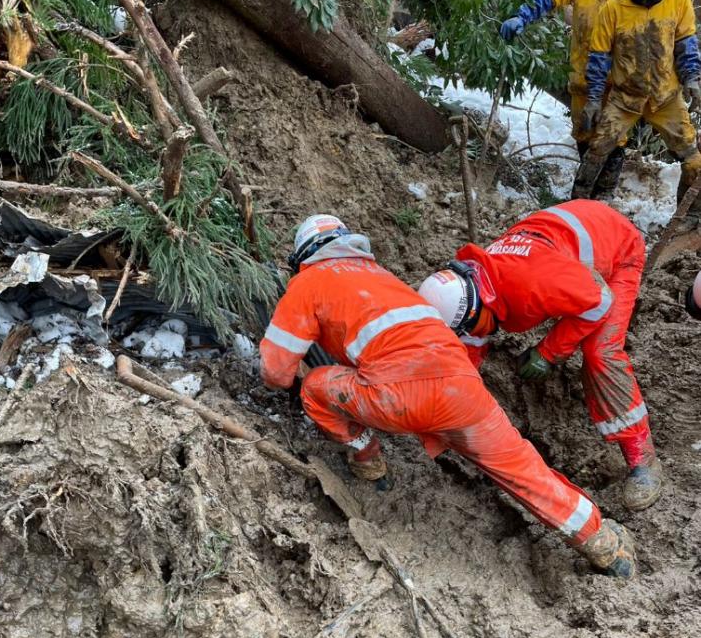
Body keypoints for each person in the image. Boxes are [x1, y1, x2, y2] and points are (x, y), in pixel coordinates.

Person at [260, 213, 636, 578]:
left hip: (398, 396)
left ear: (304, 257)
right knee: (523, 469)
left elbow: (276, 372)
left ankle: (368, 461)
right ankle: (602, 544)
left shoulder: (307, 284)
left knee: (314, 387)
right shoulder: (385, 277)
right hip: (463, 387)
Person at [418, 199, 662, 512]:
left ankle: (643, 458)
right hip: (569, 239)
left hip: (617, 247)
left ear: (481, 304)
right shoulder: (470, 283)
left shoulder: (531, 285)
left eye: (473, 325)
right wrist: (443, 418)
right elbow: (469, 345)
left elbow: (599, 301)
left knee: (600, 351)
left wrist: (548, 352)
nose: (474, 333)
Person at [572, 0, 701, 209]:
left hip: (666, 98)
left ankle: (688, 217)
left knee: (693, 160)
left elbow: (685, 43)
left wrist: (692, 78)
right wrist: (594, 99)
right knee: (597, 149)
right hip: (625, 97)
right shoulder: (613, 9)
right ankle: (578, 205)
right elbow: (599, 59)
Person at [499, 0, 632, 197]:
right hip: (584, 77)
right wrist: (523, 16)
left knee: (615, 139)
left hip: (621, 82)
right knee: (585, 134)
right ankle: (584, 200)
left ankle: (602, 198)